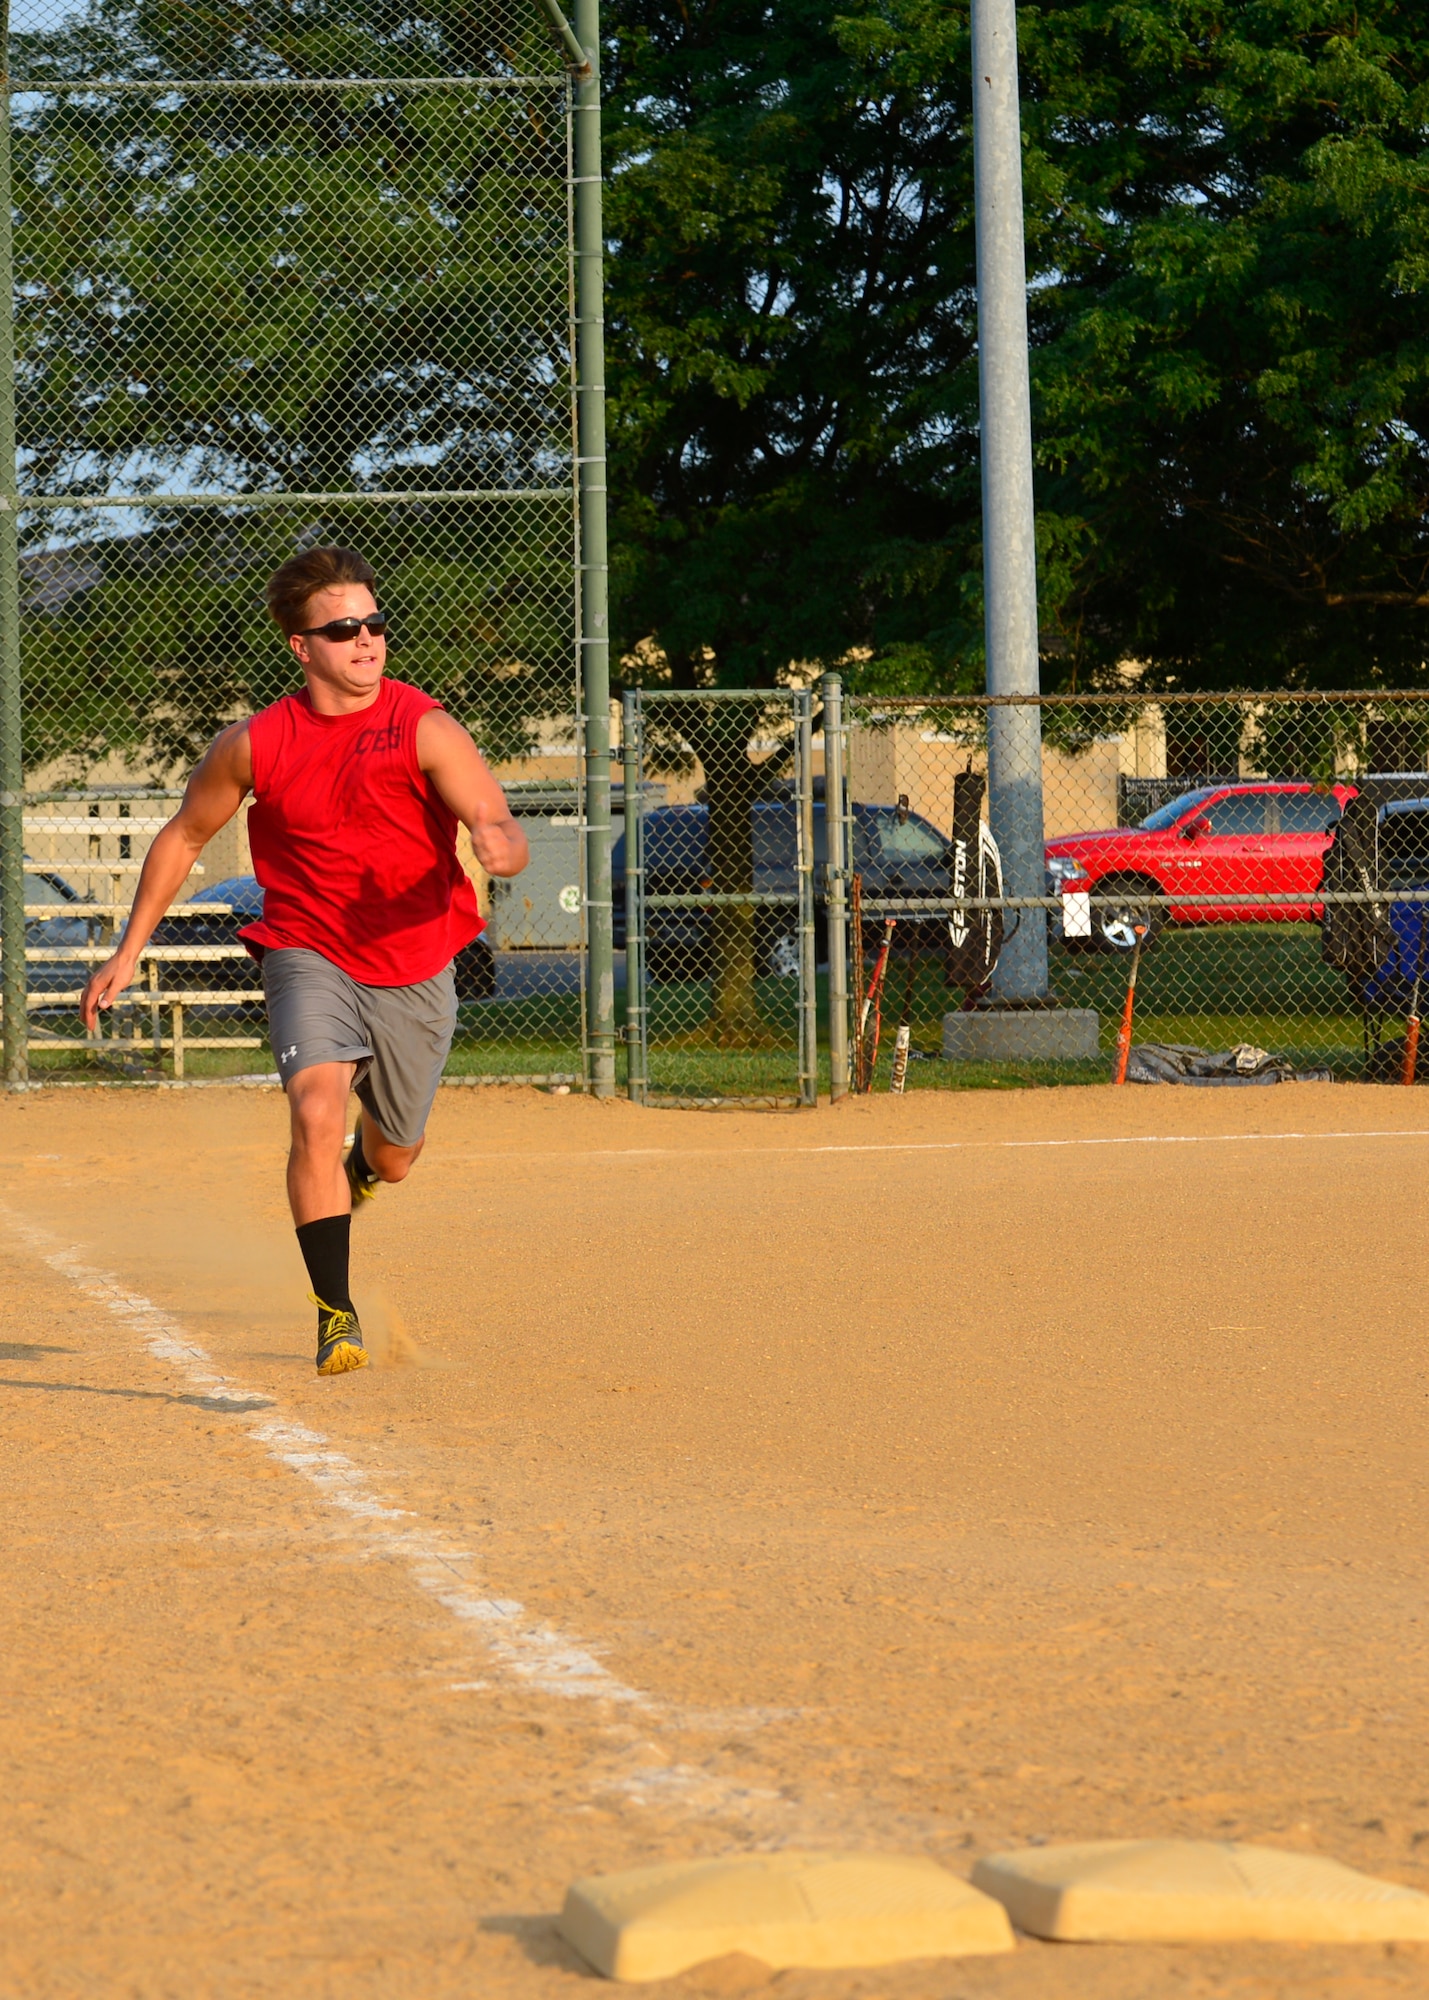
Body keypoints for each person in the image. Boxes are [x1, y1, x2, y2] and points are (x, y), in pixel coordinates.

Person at [81, 545, 530, 1375]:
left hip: (415, 958)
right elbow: (184, 835)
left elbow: (491, 813)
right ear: (302, 646)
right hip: (306, 948)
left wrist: (497, 843)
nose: (367, 640)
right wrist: (126, 950)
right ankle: (336, 1313)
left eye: (374, 622)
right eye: (344, 628)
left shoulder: (422, 724)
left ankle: (364, 1168)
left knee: (395, 1157)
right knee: (316, 1109)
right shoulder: (255, 742)